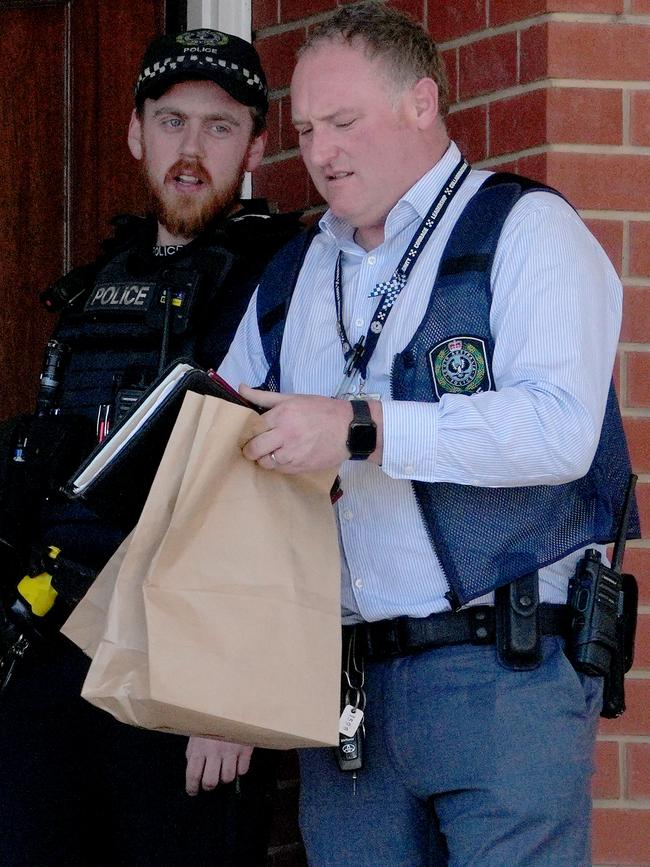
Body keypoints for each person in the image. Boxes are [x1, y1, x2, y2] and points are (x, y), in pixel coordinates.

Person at [218, 2, 640, 864]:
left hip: (501, 671)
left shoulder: (526, 228)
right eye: (305, 129)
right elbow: (228, 449)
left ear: (421, 103)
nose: (322, 152)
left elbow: (561, 431)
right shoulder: (293, 272)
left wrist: (364, 428)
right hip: (342, 690)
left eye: (344, 122)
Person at [0, 28, 303, 867]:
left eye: (219, 126)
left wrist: (230, 695)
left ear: (256, 146)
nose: (191, 150)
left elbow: (285, 495)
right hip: (55, 654)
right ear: (136, 132)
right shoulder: (97, 281)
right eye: (172, 122)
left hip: (182, 676)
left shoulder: (283, 280)